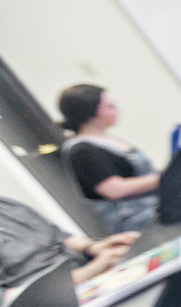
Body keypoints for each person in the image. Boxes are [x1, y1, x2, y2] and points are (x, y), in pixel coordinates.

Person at [58, 84, 163, 233]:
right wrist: (162, 178)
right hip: (137, 222)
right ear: (92, 114)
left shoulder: (106, 139)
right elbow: (115, 189)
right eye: (110, 106)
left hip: (154, 207)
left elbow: (135, 173)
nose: (116, 110)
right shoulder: (81, 151)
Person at [0, 196, 136, 288]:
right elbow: (13, 299)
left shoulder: (7, 205)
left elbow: (61, 237)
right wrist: (94, 268)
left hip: (92, 278)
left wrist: (96, 247)